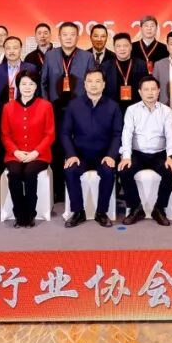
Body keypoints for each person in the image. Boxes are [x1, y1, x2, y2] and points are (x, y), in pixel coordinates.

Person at [61, 68, 123, 228]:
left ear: (104, 84)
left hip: (103, 154)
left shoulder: (113, 107)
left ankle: (101, 212)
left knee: (108, 172)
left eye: (97, 81)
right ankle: (78, 212)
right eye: (89, 81)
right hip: (80, 154)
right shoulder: (74, 105)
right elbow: (65, 133)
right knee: (70, 170)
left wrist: (111, 155)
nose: (93, 85)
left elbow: (117, 134)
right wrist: (71, 154)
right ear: (84, 84)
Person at [41, 21, 94, 200]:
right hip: (55, 109)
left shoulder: (87, 57)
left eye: (72, 34)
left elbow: (92, 85)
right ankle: (58, 189)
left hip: (79, 110)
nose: (69, 38)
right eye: (65, 34)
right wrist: (46, 106)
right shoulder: (50, 56)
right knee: (56, 148)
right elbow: (43, 82)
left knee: (77, 146)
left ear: (78, 37)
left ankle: (75, 187)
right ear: (59, 37)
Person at [119, 75, 172, 226]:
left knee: (171, 171)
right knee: (124, 170)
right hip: (137, 154)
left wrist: (170, 156)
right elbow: (127, 134)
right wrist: (126, 156)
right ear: (140, 92)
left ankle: (159, 208)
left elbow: (171, 135)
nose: (150, 93)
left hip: (159, 154)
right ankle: (135, 208)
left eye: (153, 89)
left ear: (159, 91)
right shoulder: (132, 110)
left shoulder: (166, 111)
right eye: (146, 89)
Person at [1, 70, 55, 227]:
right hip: (14, 154)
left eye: (31, 84)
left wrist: (35, 152)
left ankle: (30, 214)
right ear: (18, 86)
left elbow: (50, 134)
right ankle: (19, 214)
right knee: (15, 173)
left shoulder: (46, 106)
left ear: (36, 86)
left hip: (39, 154)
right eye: (24, 84)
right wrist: (15, 151)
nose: (27, 87)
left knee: (30, 172)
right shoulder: (8, 107)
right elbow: (5, 135)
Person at [105, 33, 148, 113]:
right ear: (114, 48)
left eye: (125, 46)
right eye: (118, 46)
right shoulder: (105, 66)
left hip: (136, 109)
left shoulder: (141, 64)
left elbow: (146, 87)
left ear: (131, 47)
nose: (122, 49)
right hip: (113, 109)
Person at [0, 36, 27, 123]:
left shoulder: (30, 68)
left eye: (15, 48)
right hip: (1, 113)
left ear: (21, 49)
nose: (12, 51)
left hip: (25, 112)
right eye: (8, 48)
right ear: (4, 50)